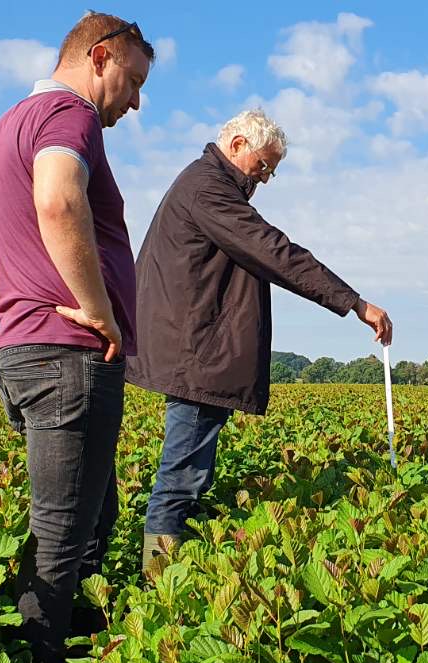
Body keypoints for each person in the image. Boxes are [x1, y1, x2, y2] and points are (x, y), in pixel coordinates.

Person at [0, 11, 154, 663]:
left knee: (94, 520)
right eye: (132, 81)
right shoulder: (68, 115)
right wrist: (96, 309)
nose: (134, 101)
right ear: (99, 56)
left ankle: (79, 662)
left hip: (23, 351)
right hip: (68, 358)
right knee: (60, 540)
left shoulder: (5, 127)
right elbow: (58, 202)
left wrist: (15, 304)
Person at [127, 109, 393, 568]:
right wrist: (353, 302)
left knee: (189, 474)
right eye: (264, 166)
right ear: (236, 146)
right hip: (195, 354)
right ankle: (158, 586)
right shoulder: (207, 188)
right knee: (181, 477)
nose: (266, 178)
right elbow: (274, 251)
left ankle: (168, 574)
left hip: (197, 351)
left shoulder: (209, 185)